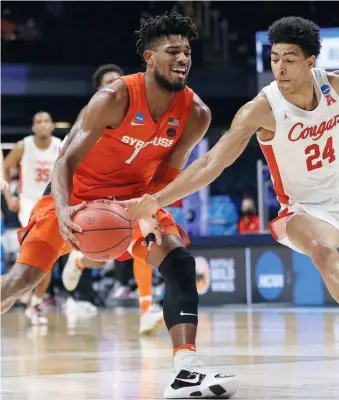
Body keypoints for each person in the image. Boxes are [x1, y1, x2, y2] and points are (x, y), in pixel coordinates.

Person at [0, 9, 239, 399]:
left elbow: (168, 173)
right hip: (75, 200)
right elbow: (65, 162)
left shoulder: (195, 114)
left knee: (179, 261)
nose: (183, 59)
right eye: (173, 51)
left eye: (188, 53)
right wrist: (62, 211)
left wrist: (147, 210)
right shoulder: (114, 97)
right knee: (20, 281)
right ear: (149, 57)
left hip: (132, 203)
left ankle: (186, 370)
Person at [120, 16, 339, 304]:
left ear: (310, 62)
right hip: (305, 211)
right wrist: (156, 200)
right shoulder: (261, 110)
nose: (280, 68)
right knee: (322, 252)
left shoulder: (333, 87)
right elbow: (213, 163)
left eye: (290, 59)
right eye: (274, 58)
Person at [61, 63, 163, 334]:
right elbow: (66, 160)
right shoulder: (90, 117)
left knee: (145, 241)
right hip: (94, 190)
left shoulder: (142, 116)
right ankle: (81, 260)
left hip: (130, 188)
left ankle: (146, 308)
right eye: (109, 83)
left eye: (120, 82)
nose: (116, 87)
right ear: (99, 91)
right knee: (108, 249)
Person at [3, 112, 61, 324]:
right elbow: (6, 166)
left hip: (52, 202)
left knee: (49, 255)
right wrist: (9, 195)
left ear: (52, 126)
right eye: (38, 122)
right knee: (43, 251)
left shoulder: (61, 145)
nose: (43, 125)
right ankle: (26, 296)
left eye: (46, 121)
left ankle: (34, 301)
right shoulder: (23, 146)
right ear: (33, 127)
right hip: (29, 202)